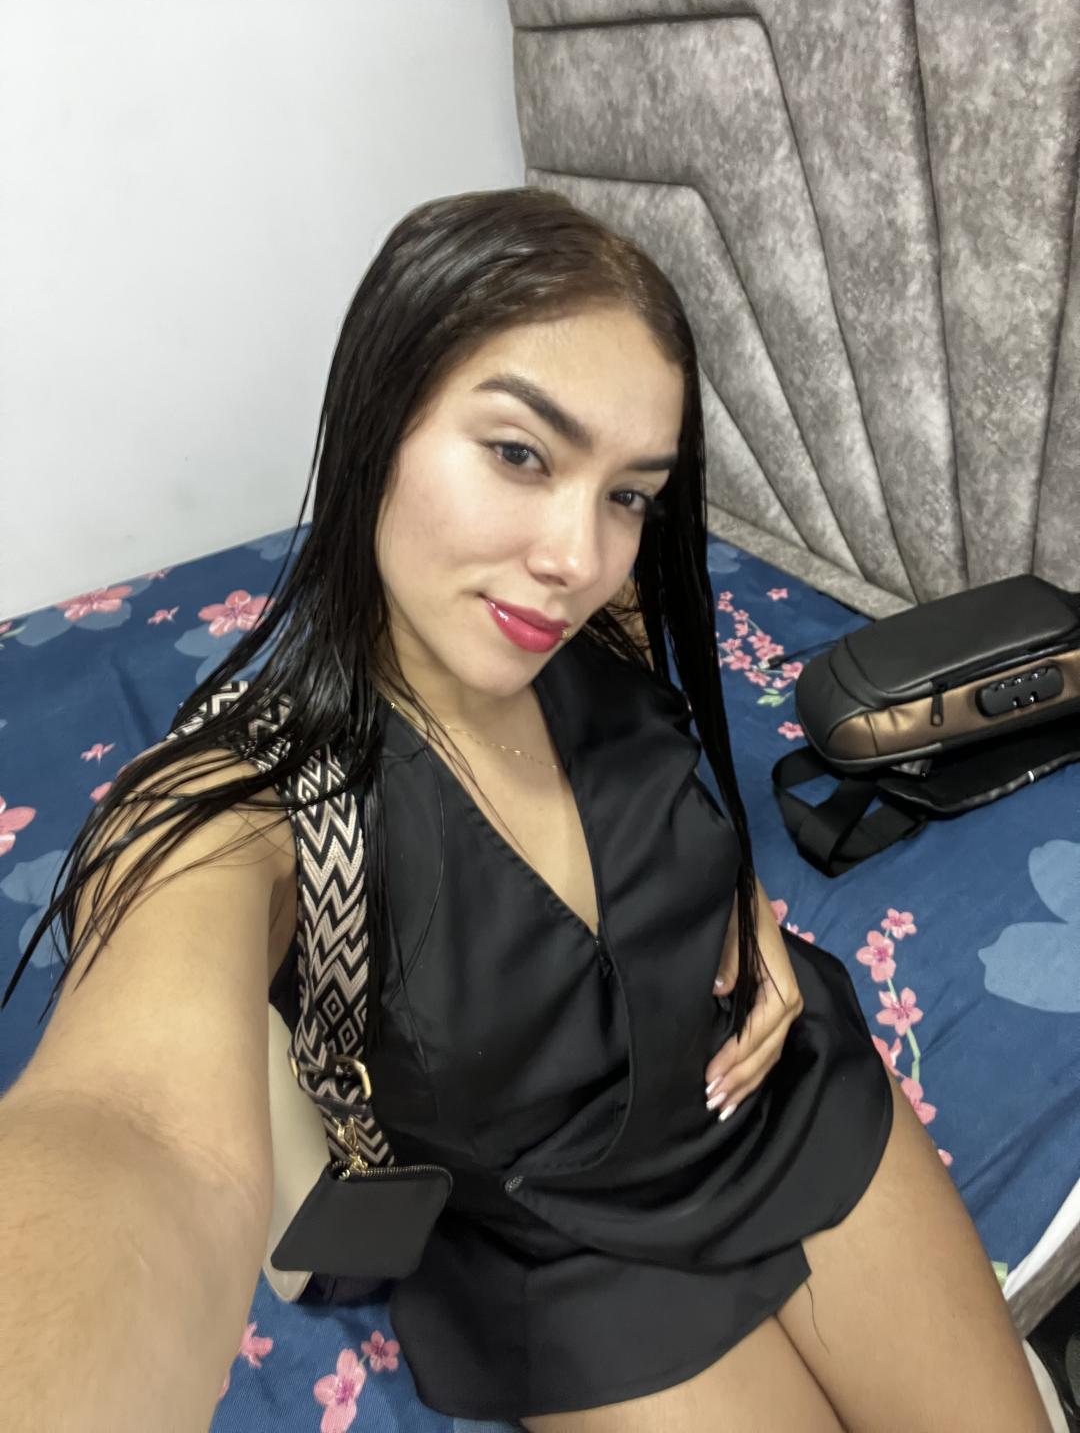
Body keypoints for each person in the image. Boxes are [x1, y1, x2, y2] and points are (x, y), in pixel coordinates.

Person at [0, 188, 1049, 1433]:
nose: (578, 557)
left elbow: (663, 773)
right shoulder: (237, 808)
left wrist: (736, 898)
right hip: (564, 1253)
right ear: (381, 418)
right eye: (519, 453)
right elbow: (132, 1132)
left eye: (629, 494)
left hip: (777, 1096)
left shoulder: (595, 615)